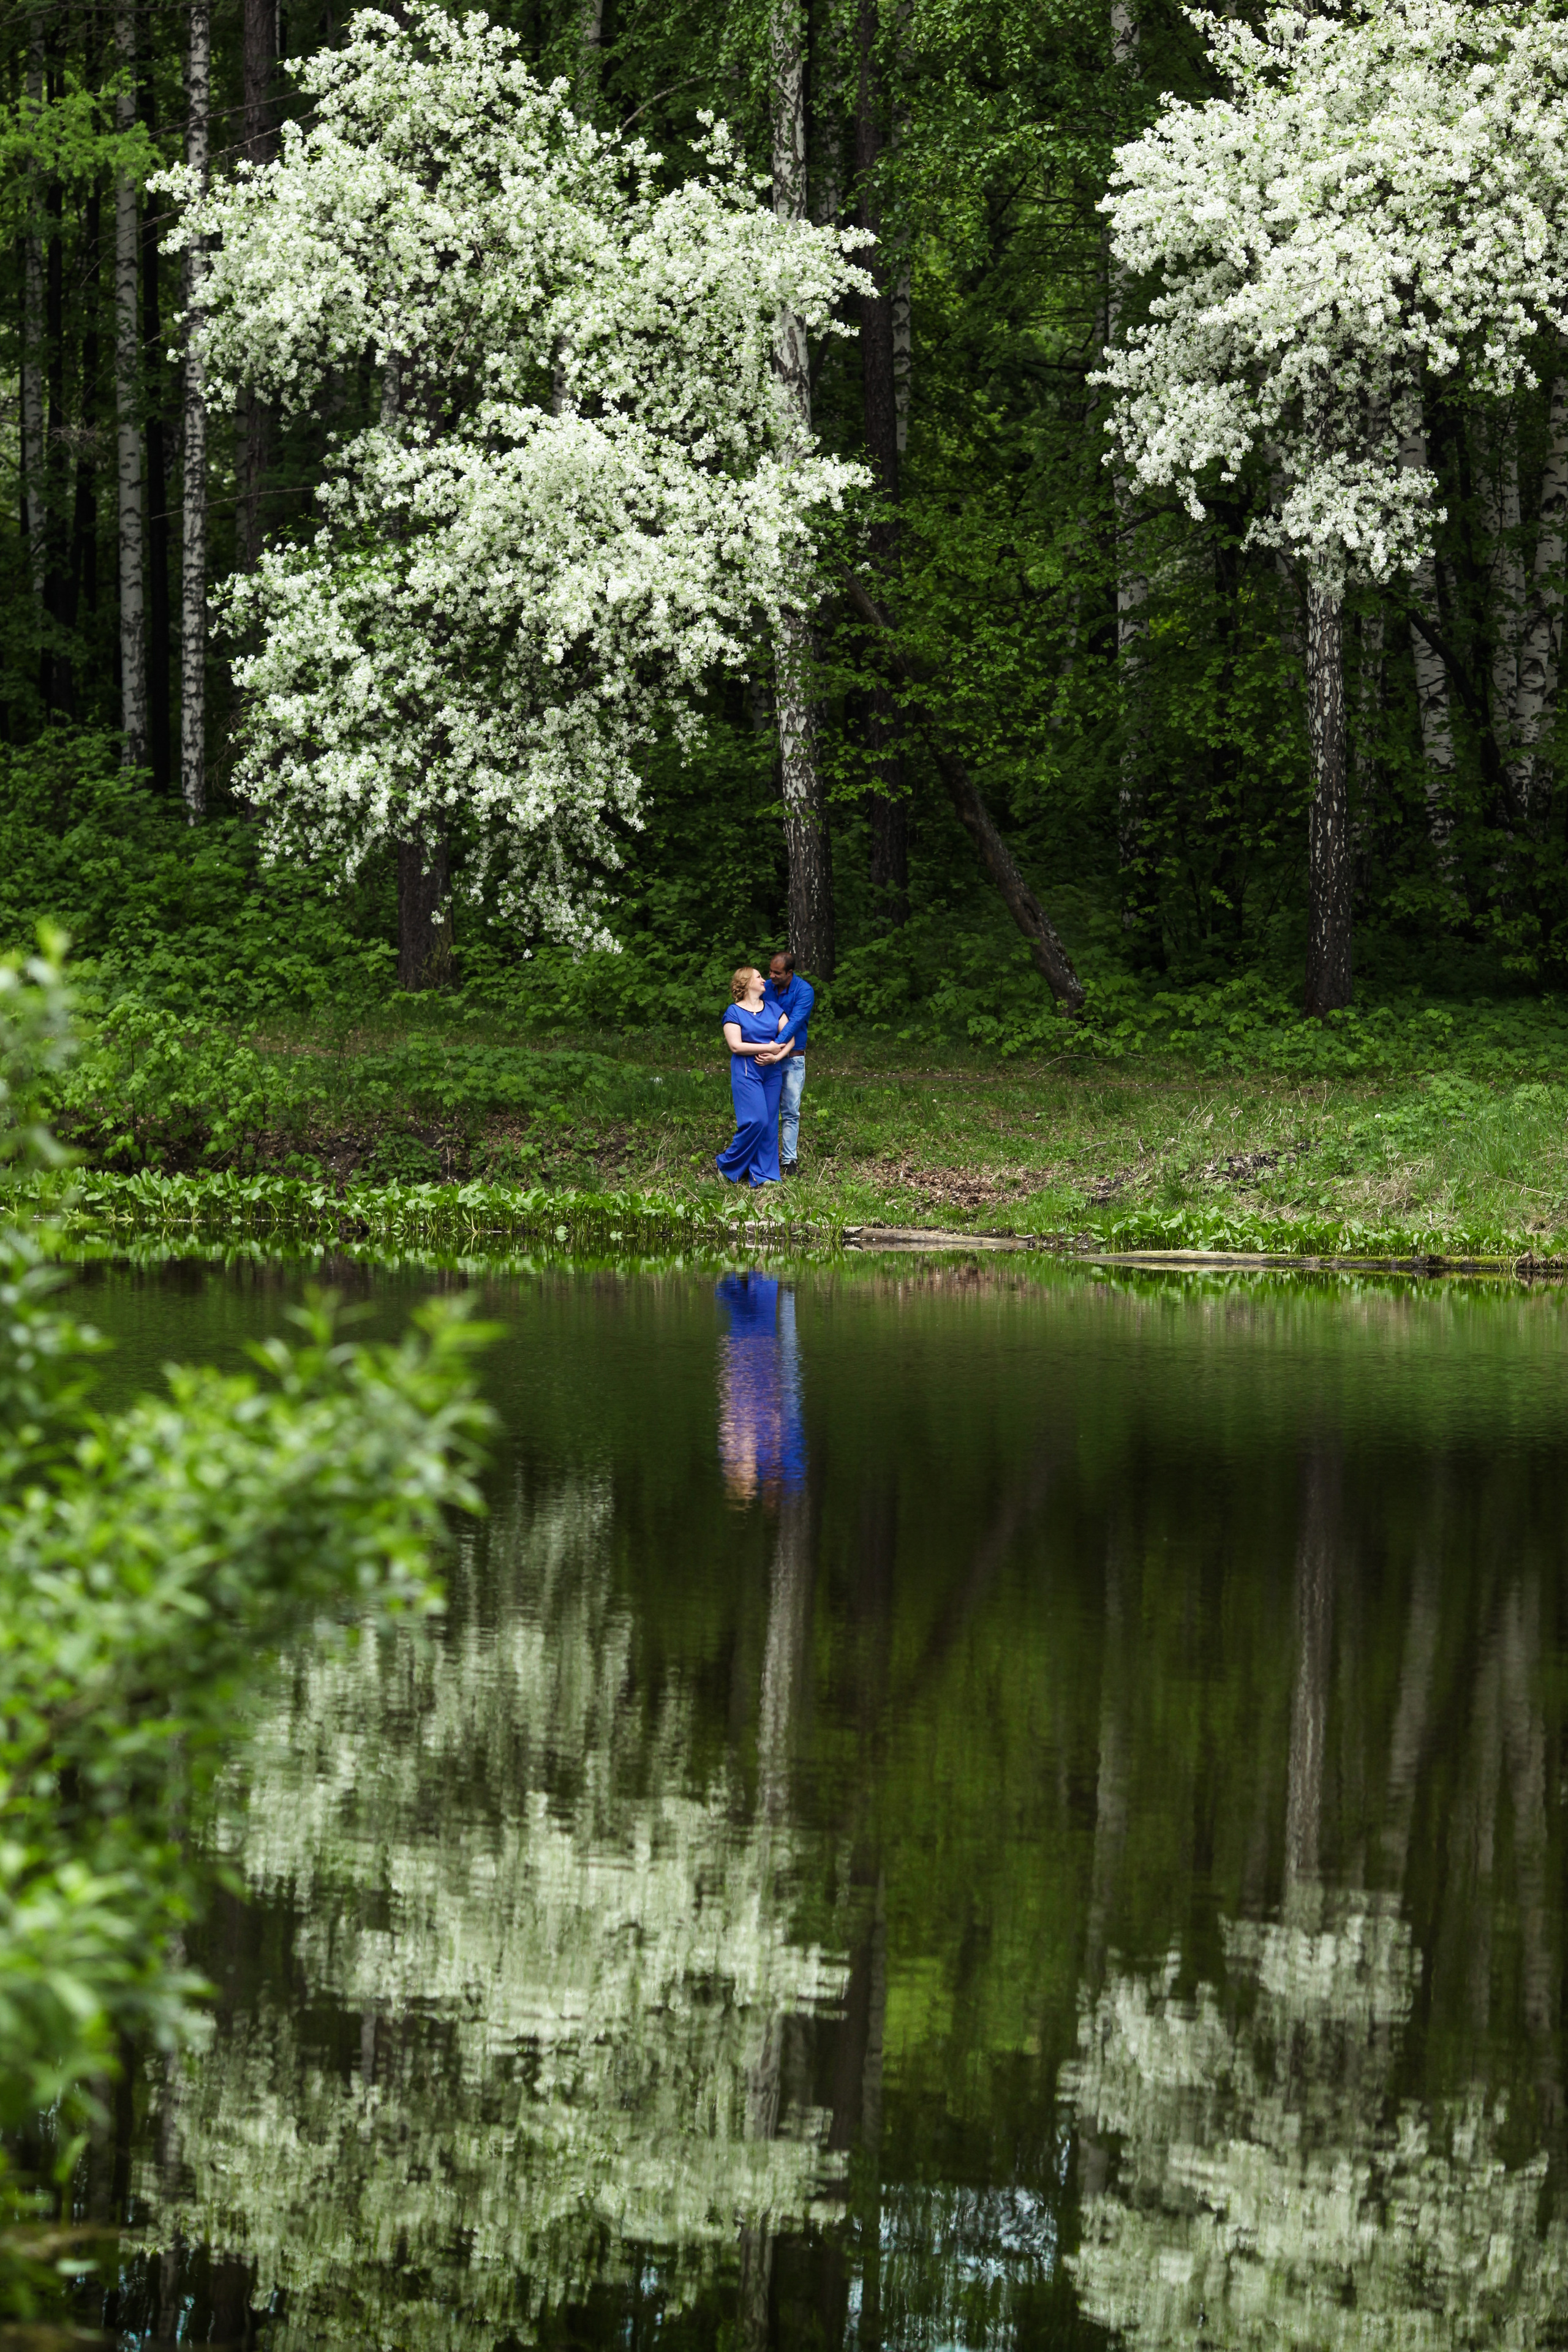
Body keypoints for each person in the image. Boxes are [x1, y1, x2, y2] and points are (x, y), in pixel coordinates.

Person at [715, 966, 790, 1187]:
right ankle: (728, 1165)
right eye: (759, 976)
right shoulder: (734, 1012)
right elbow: (735, 1045)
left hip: (772, 1071)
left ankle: (763, 1175)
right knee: (755, 1120)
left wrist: (776, 1057)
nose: (764, 979)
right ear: (747, 983)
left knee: (768, 1124)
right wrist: (768, 1047)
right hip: (747, 1070)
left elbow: (790, 1039)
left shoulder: (774, 1009)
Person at [762, 949, 813, 1175]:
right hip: (767, 1058)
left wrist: (775, 1046)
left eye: (776, 973)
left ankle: (789, 1161)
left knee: (791, 1110)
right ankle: (767, 1157)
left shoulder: (804, 991)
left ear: (790, 973)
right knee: (767, 1110)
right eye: (770, 971)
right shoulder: (766, 988)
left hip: (793, 1058)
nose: (771, 976)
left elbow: (794, 1024)